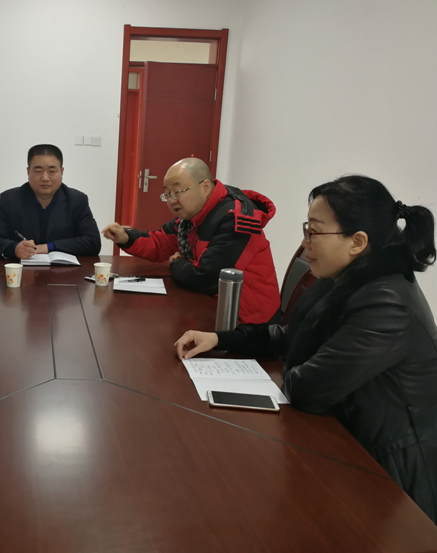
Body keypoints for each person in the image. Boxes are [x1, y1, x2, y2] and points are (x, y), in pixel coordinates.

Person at [175, 175, 437, 523]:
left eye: (314, 232)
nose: (304, 242)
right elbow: (290, 336)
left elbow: (306, 388)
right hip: (343, 441)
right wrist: (220, 339)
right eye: (306, 229)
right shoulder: (350, 278)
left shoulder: (386, 304)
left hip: (388, 479)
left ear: (357, 242)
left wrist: (292, 363)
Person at [102, 158, 279, 324]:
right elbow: (160, 242)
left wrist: (177, 263)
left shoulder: (236, 219)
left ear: (205, 187)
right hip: (209, 306)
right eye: (167, 194)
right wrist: (126, 238)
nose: (171, 201)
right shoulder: (191, 218)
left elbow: (207, 278)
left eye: (178, 192)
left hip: (247, 323)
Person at [0, 144, 101, 259]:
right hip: (22, 271)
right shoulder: (10, 199)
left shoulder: (77, 200)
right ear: (28, 172)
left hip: (63, 271)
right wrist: (15, 248)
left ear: (62, 172)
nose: (45, 178)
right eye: (38, 171)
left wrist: (49, 247)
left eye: (52, 171)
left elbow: (93, 242)